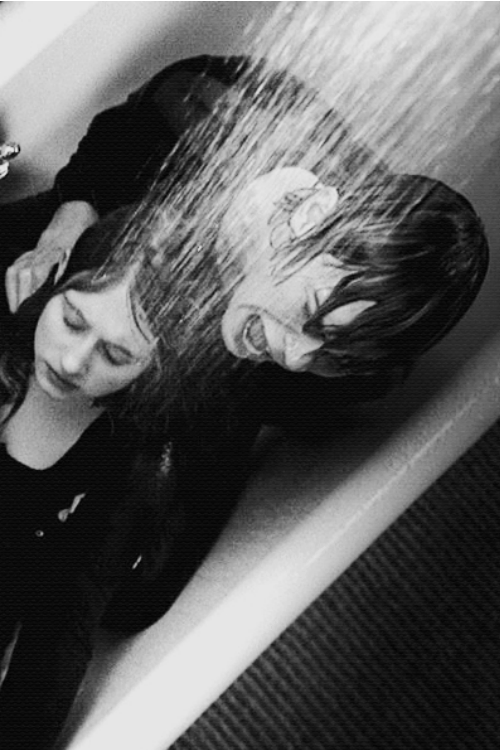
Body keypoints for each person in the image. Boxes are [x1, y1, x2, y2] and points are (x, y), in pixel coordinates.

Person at [0, 212, 179, 749]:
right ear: (55, 282)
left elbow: (62, 628)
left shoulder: (126, 466)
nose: (74, 361)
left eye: (117, 354)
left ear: (153, 367)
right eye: (73, 320)